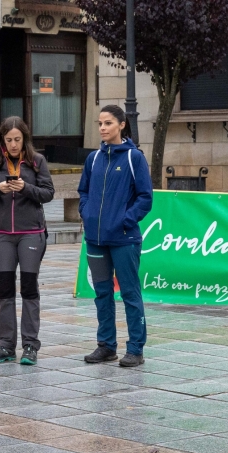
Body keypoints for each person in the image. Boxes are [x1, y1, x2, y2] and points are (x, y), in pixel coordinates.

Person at [78, 104, 153, 368]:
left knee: (130, 293)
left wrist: (125, 220)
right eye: (100, 123)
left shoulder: (134, 158)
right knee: (102, 293)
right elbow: (84, 191)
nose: (102, 128)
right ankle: (106, 346)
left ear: (122, 125)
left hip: (124, 239)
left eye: (108, 123)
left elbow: (146, 197)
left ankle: (135, 349)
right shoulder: (94, 159)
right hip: (96, 239)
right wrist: (87, 214)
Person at [0, 117, 55, 366]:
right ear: (2, 140)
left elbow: (48, 193)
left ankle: (31, 345)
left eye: (17, 139)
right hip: (3, 236)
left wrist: (25, 188)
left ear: (24, 139)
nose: (13, 144)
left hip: (31, 233)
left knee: (30, 289)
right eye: (8, 140)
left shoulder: (37, 162)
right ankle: (6, 345)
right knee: (5, 290)